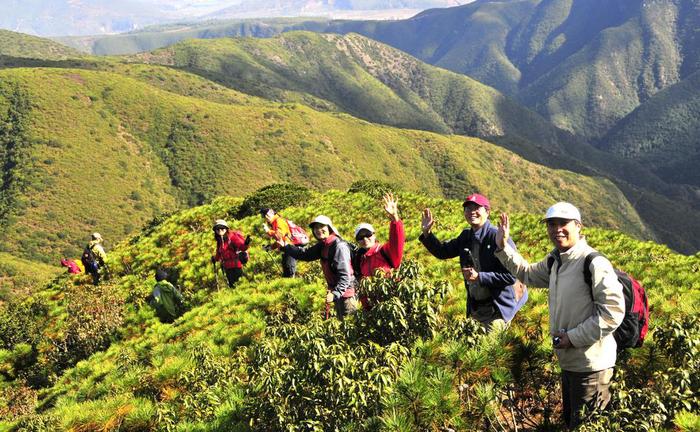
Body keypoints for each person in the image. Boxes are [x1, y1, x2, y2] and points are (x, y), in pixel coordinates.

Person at [494, 202, 625, 428]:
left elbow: (612, 313)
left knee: (586, 426)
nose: (557, 229)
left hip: (591, 366)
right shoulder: (556, 260)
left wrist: (572, 338)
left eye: (563, 224)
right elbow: (527, 274)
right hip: (569, 363)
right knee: (572, 423)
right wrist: (503, 247)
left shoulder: (592, 262)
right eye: (552, 224)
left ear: (578, 226)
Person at [419, 193, 527, 331]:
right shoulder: (466, 236)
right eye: (468, 209)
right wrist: (427, 233)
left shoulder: (497, 236)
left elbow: (511, 276)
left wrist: (480, 277)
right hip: (477, 307)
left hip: (499, 308)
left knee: (488, 347)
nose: (472, 212)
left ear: (487, 212)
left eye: (476, 208)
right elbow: (443, 252)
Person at [278, 215, 357, 319]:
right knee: (343, 324)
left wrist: (335, 293)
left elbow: (345, 275)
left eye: (322, 226)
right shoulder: (324, 245)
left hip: (347, 294)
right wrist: (286, 247)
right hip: (338, 293)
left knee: (350, 326)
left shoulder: (339, 247)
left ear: (329, 228)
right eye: (315, 228)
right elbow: (305, 254)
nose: (318, 230)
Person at [353, 193, 405, 308]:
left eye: (367, 234)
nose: (365, 238)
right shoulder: (360, 260)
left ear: (374, 235)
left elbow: (397, 240)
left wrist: (395, 218)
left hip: (392, 307)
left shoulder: (385, 251)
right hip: (374, 312)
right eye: (360, 237)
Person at [260, 208, 302, 277]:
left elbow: (278, 235)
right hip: (287, 251)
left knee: (289, 275)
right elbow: (281, 240)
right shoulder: (275, 222)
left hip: (290, 251)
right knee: (287, 274)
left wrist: (268, 231)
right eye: (264, 217)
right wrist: (270, 247)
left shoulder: (279, 221)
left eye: (266, 216)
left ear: (270, 214)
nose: (266, 219)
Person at [211, 219, 251, 288]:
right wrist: (215, 259)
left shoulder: (232, 237)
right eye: (217, 229)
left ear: (226, 229)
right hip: (228, 269)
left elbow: (242, 247)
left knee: (241, 286)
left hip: (238, 266)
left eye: (222, 228)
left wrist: (246, 243)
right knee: (232, 287)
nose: (220, 230)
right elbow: (219, 254)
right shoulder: (219, 241)